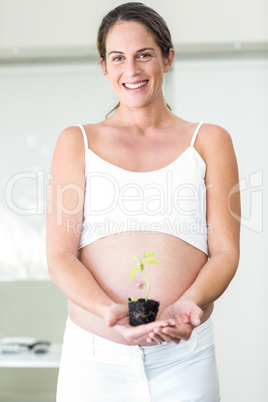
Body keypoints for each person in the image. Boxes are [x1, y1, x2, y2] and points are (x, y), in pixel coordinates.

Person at [46, 2, 240, 401]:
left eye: (144, 55)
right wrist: (107, 311)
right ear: (104, 67)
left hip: (185, 358)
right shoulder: (76, 141)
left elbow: (224, 253)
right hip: (95, 358)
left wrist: (190, 302)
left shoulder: (209, 140)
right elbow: (60, 256)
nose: (131, 71)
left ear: (167, 58)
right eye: (117, 58)